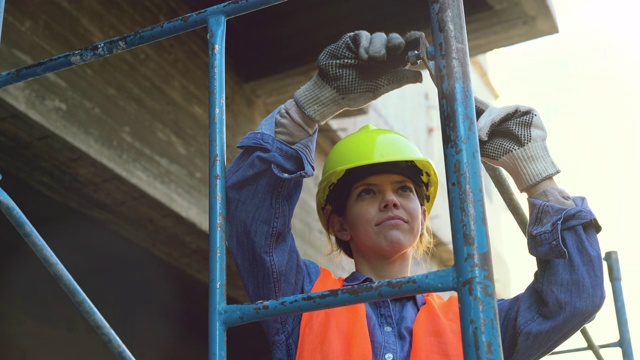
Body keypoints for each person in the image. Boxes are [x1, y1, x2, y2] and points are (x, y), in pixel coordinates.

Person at [226, 30, 605, 360]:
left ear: (423, 216)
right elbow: (250, 218)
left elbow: (572, 300)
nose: (390, 200)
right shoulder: (302, 297)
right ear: (340, 225)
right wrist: (308, 109)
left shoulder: (471, 319)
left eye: (404, 190)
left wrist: (538, 178)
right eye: (367, 193)